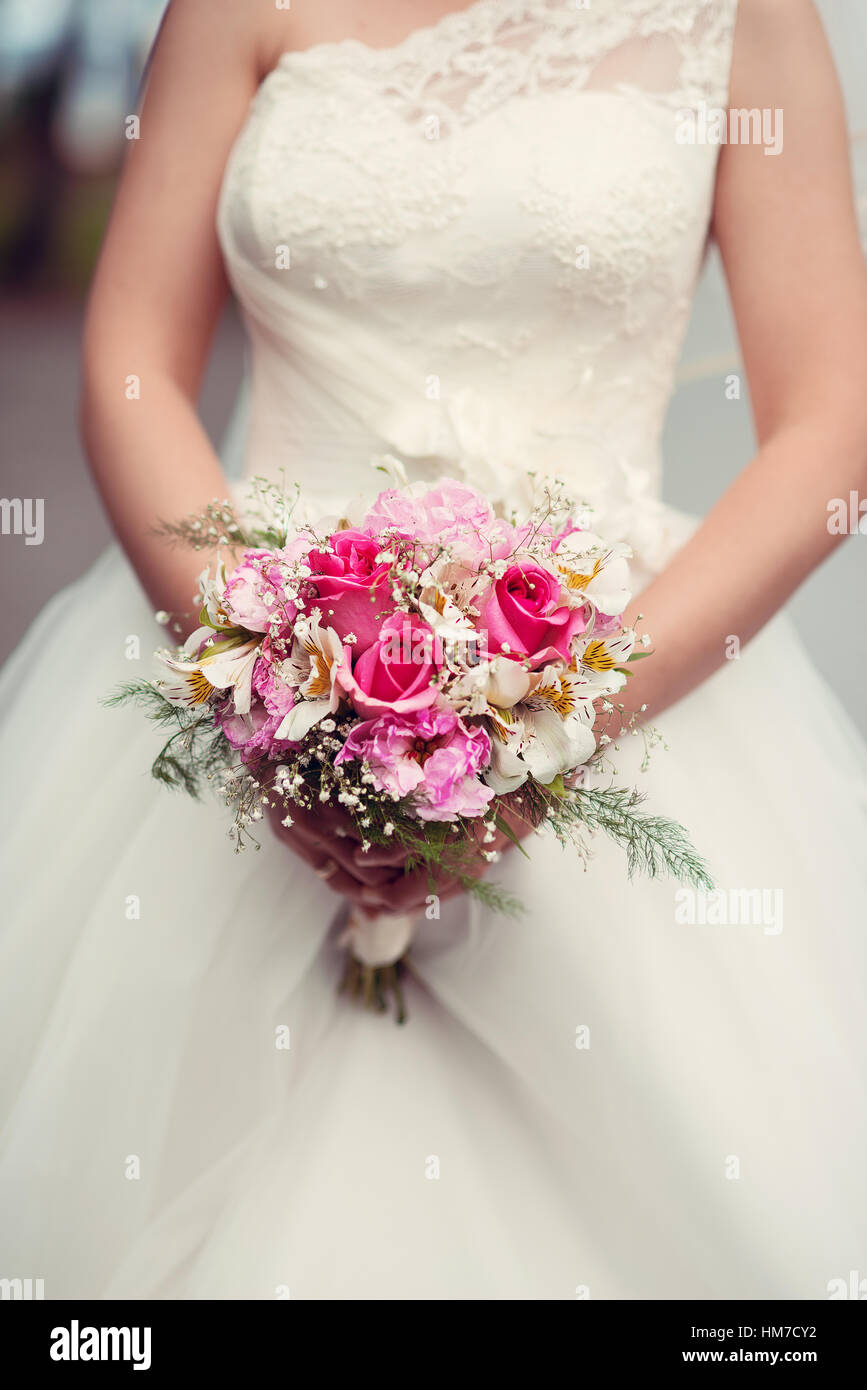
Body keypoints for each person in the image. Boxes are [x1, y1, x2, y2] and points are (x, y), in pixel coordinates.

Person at [1, 0, 866, 1299]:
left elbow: (832, 431)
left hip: (623, 698)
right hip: (236, 657)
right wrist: (271, 676)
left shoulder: (744, 17)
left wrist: (552, 722)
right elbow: (130, 360)